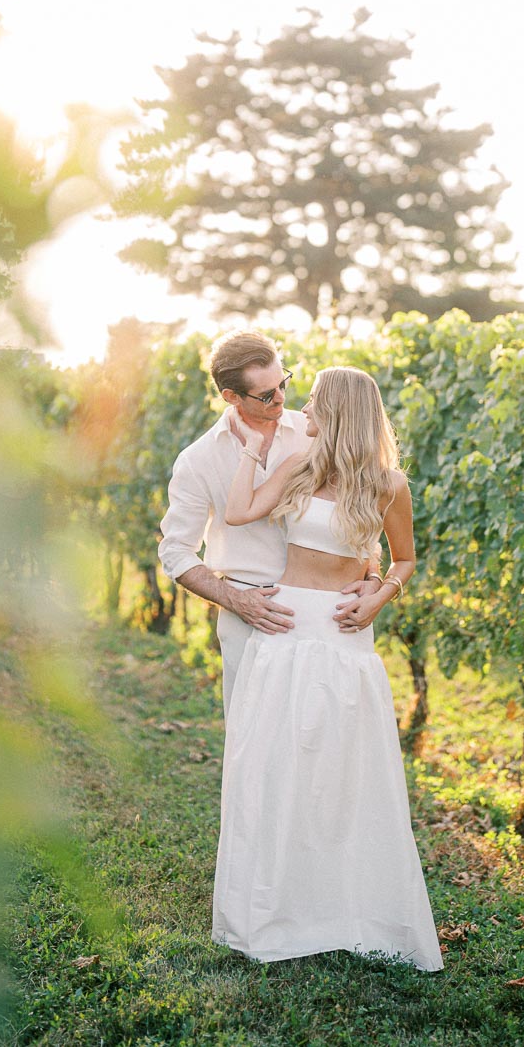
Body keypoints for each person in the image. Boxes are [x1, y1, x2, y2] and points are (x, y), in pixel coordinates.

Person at [211, 366, 443, 971]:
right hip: (284, 629)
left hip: (342, 637)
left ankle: (346, 912)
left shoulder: (389, 485)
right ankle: (274, 912)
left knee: (342, 777)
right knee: (273, 769)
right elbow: (238, 513)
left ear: (339, 412)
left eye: (312, 403)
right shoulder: (297, 467)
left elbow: (406, 559)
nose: (301, 412)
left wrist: (378, 595)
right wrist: (254, 451)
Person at [157, 333, 385, 718]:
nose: (281, 398)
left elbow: (359, 516)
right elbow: (176, 551)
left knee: (326, 733)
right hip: (249, 614)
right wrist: (235, 601)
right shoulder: (198, 460)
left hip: (323, 614)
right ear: (231, 397)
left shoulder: (317, 436)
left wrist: (375, 578)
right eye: (266, 395)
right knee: (255, 738)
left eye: (283, 383)